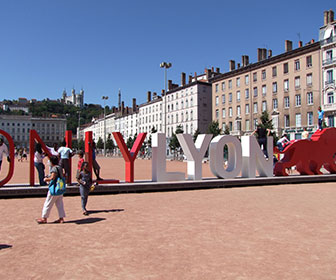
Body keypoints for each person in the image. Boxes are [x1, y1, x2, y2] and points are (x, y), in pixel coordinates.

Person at [36, 156, 66, 224]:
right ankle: (61, 218)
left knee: (48, 203)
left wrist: (46, 179)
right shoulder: (60, 168)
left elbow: (52, 177)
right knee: (59, 204)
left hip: (54, 188)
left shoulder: (54, 168)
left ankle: (44, 218)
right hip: (60, 187)